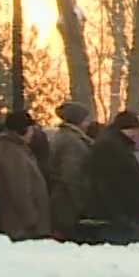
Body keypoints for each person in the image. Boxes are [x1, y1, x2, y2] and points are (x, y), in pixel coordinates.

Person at [86, 111, 139, 245]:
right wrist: (119, 213)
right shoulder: (110, 145)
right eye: (134, 130)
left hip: (122, 210)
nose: (136, 134)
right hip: (117, 212)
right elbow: (109, 182)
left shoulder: (116, 142)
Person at [0, 110, 53, 240]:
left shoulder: (16, 150)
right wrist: (31, 219)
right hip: (22, 225)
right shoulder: (12, 154)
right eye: (30, 129)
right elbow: (20, 190)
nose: (32, 133)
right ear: (22, 131)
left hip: (24, 222)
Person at [47, 102, 95, 240]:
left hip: (64, 198)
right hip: (68, 202)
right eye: (86, 119)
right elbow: (70, 174)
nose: (89, 123)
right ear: (78, 120)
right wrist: (80, 200)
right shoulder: (73, 142)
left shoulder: (66, 137)